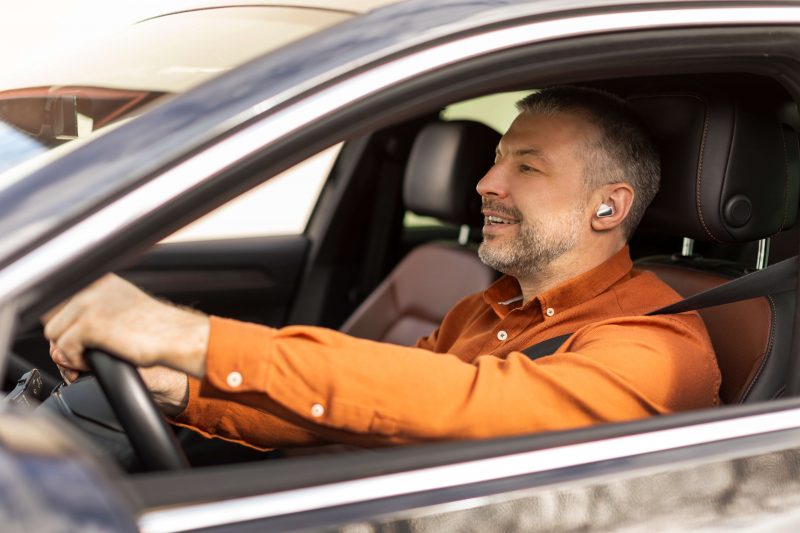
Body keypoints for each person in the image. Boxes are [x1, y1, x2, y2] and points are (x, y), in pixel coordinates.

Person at [43, 87, 721, 450]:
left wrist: (192, 339)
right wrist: (183, 391)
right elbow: (357, 411)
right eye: (496, 160)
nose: (486, 183)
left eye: (527, 167)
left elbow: (465, 404)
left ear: (608, 206)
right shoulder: (484, 308)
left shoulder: (659, 345)